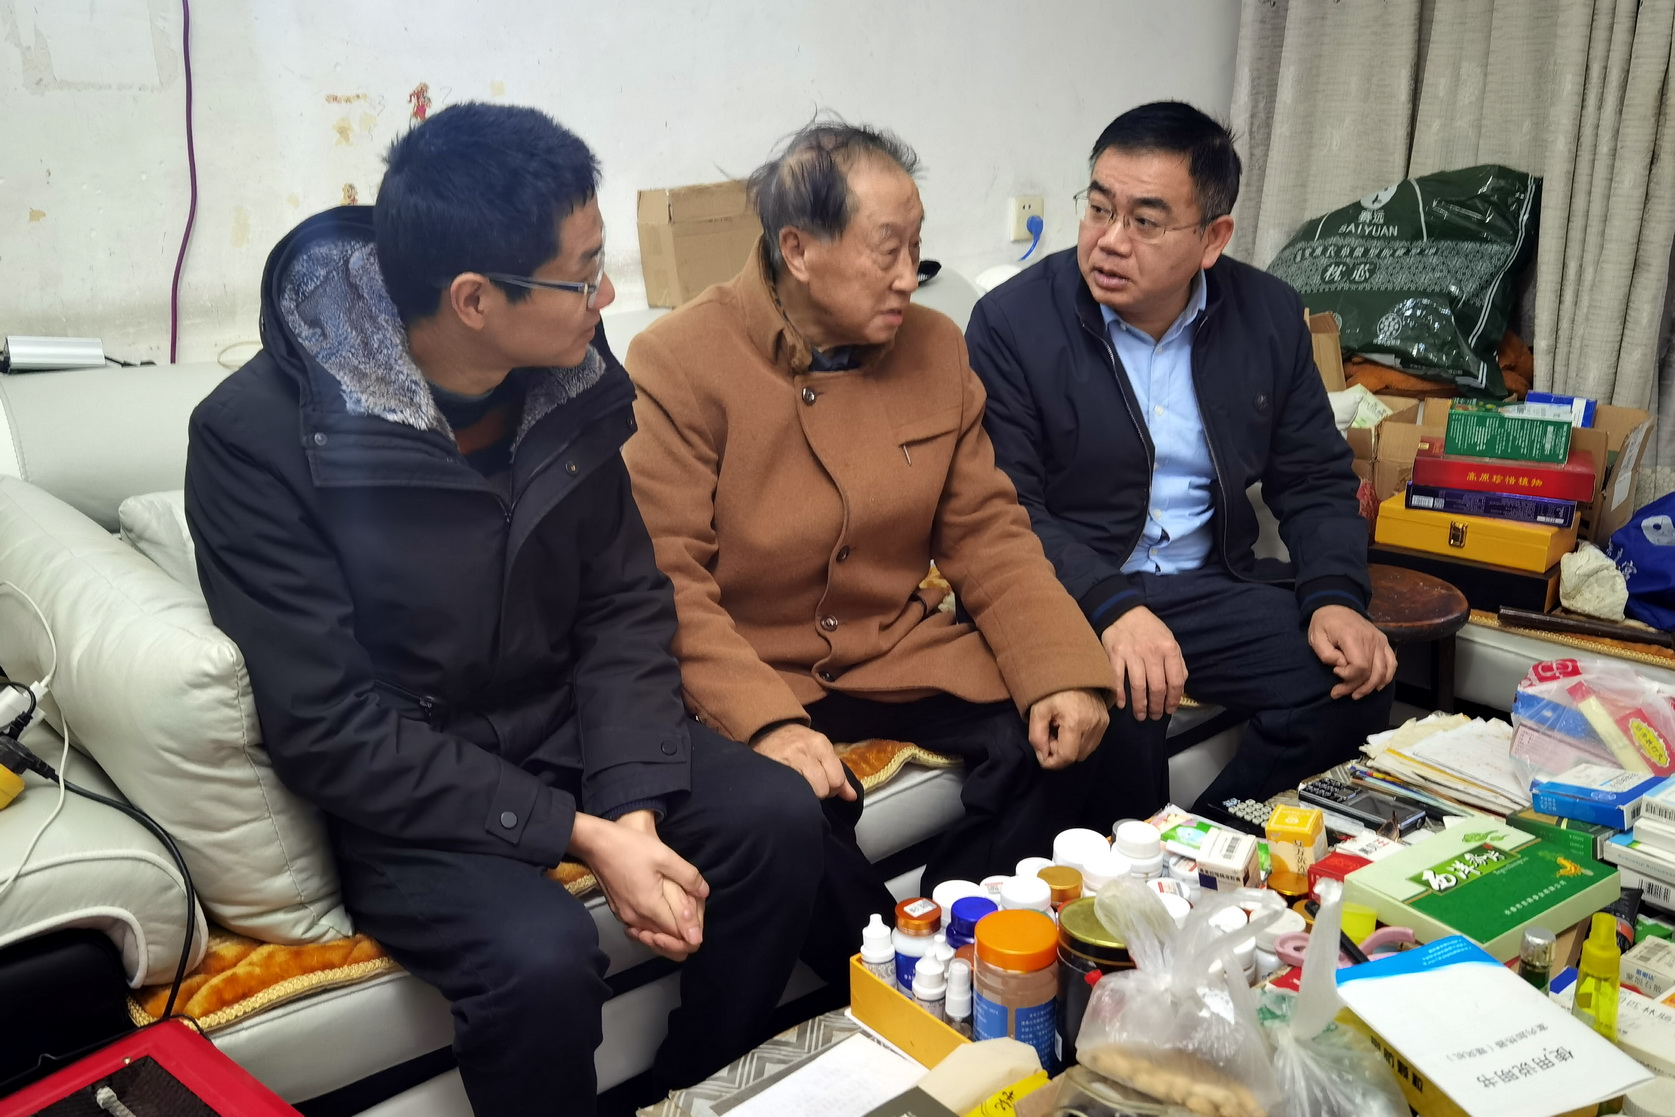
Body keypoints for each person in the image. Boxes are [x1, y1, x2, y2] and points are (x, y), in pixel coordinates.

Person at [184, 103, 824, 1117]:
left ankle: (695, 1087)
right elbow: (328, 728)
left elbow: (622, 602)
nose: (605, 297)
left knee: (777, 819)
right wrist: (581, 833)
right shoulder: (256, 440)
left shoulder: (567, 371)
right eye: (584, 274)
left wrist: (632, 806)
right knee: (538, 955)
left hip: (564, 723)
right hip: (413, 784)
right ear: (474, 299)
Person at [621, 120, 1115, 938]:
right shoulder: (680, 360)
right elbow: (667, 578)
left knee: (1073, 725)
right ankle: (890, 966)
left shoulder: (935, 346)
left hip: (891, 651)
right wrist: (767, 722)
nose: (907, 278)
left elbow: (987, 533)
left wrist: (1061, 668)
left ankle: (968, 928)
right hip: (758, 667)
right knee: (792, 810)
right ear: (797, 249)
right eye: (885, 251)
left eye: (915, 247)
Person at [965, 101, 1396, 822]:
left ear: (1212, 238)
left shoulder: (1267, 315)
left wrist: (1334, 596)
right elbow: (1006, 508)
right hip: (1074, 589)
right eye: (1098, 209)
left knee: (1354, 679)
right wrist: (1112, 607)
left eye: (1144, 221)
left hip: (1210, 584)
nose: (1109, 241)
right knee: (1123, 703)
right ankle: (1138, 866)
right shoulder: (1013, 323)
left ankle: (1215, 841)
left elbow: (1314, 479)